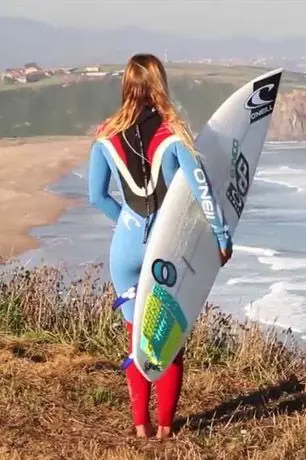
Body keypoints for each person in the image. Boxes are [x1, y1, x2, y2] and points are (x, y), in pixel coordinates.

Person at [86, 53, 233, 439]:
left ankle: (140, 426)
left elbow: (95, 196)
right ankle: (166, 429)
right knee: (169, 341)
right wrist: (221, 236)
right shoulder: (172, 134)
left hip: (126, 248)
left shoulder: (105, 135)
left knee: (137, 336)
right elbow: (202, 189)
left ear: (126, 85)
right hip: (166, 249)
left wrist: (128, 225)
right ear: (159, 83)